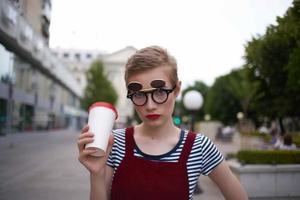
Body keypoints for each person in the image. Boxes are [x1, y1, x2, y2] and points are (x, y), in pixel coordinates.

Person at [77, 46, 248, 200]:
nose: (150, 106)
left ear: (177, 89)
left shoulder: (199, 146)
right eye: (139, 95)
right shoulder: (114, 142)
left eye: (159, 92)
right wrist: (96, 174)